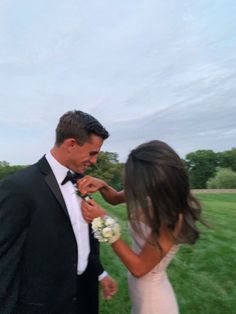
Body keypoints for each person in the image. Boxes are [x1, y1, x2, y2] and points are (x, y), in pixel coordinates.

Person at [0, 110, 117, 314]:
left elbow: (82, 238)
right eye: (92, 153)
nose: (95, 161)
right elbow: (5, 260)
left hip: (84, 297)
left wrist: (100, 274)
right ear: (71, 143)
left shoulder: (82, 182)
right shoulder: (19, 187)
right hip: (44, 305)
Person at [78, 140, 202, 314]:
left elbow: (139, 267)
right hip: (141, 294)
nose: (133, 185)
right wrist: (103, 185)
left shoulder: (172, 218)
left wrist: (104, 222)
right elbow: (114, 198)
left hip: (154, 301)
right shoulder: (147, 191)